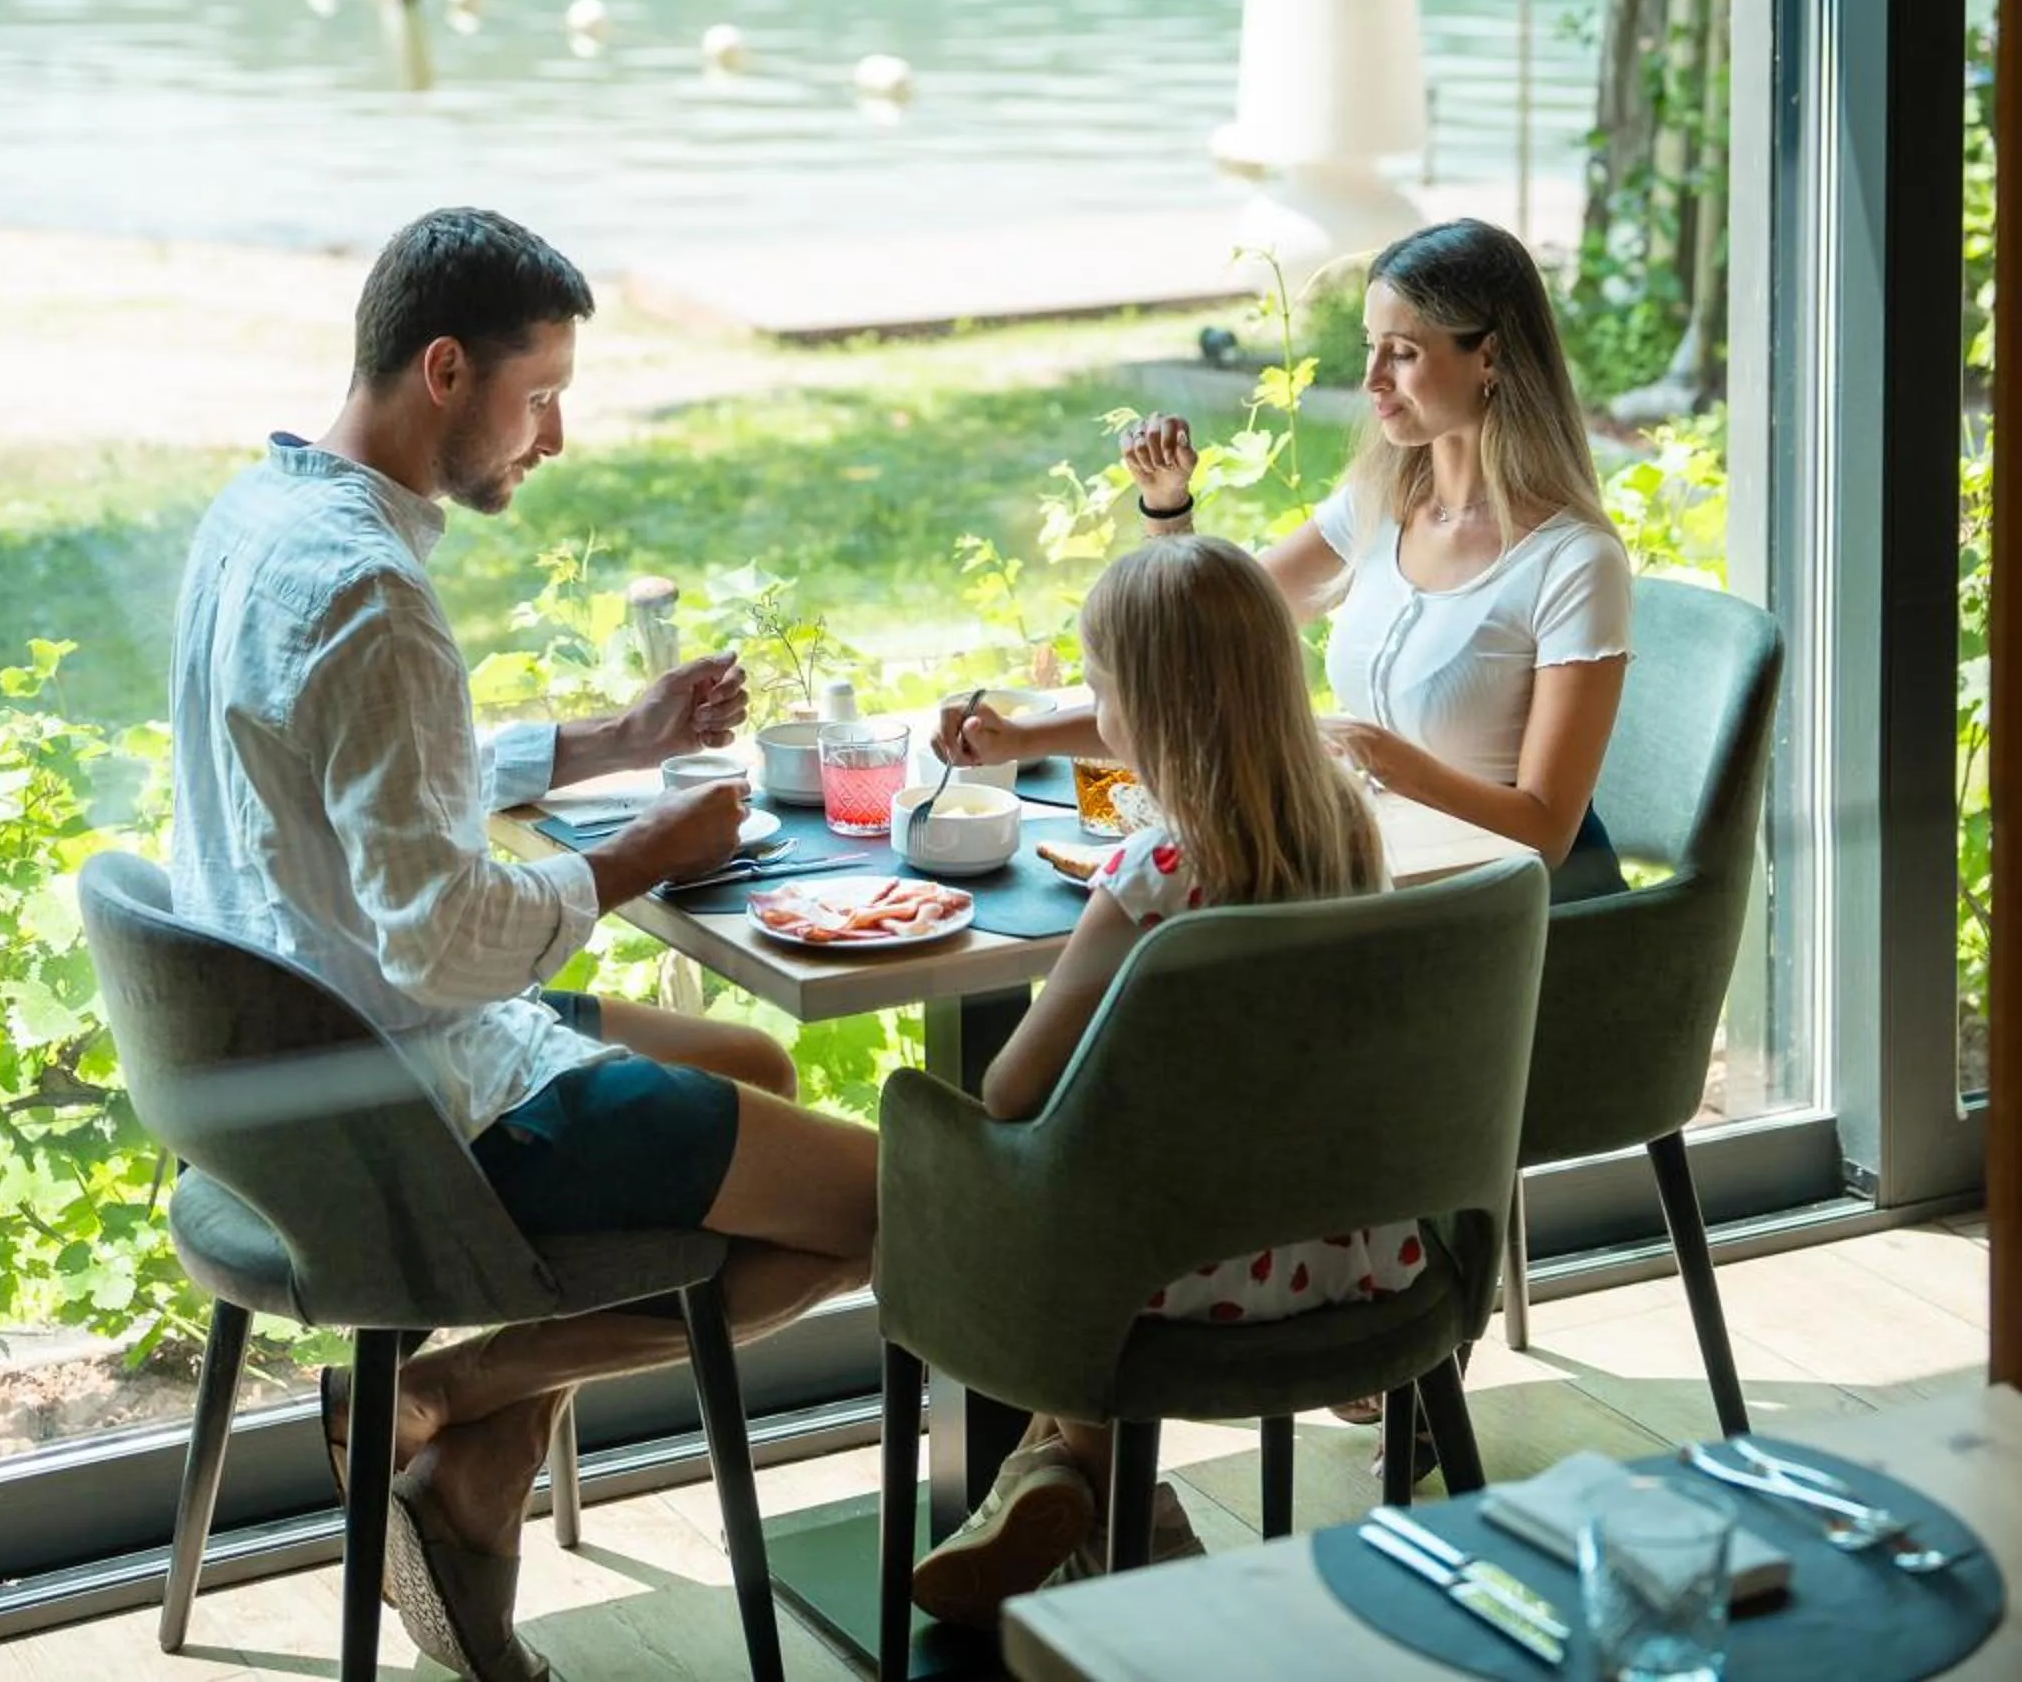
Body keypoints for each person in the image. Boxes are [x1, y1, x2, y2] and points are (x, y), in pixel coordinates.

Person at [168, 207, 878, 1682]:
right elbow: (436, 938)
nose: (553, 435)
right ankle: (458, 1391)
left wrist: (613, 740)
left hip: (304, 1056)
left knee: (750, 1053)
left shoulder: (269, 515)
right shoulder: (373, 593)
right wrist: (637, 861)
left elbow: (356, 769)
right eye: (540, 391)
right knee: (893, 1205)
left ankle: (472, 1481)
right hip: (415, 1105)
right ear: (445, 369)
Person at [908, 534, 1423, 1628]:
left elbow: (1007, 1088)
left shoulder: (1157, 871)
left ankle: (1094, 1494)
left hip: (1173, 1287)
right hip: (1358, 1252)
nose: (1094, 705)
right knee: (1117, 1199)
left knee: (1032, 1190)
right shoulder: (1347, 832)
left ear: (1142, 706)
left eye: (1099, 687)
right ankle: (1076, 1491)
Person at [943, 217, 1633, 900]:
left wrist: (1380, 758)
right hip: (1381, 885)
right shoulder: (1376, 505)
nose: (1370, 380)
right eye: (1371, 346)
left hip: (1517, 921)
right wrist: (1015, 738)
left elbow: (1546, 832)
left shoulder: (1574, 563)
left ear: (1490, 355)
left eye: (1402, 352)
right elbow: (1202, 651)